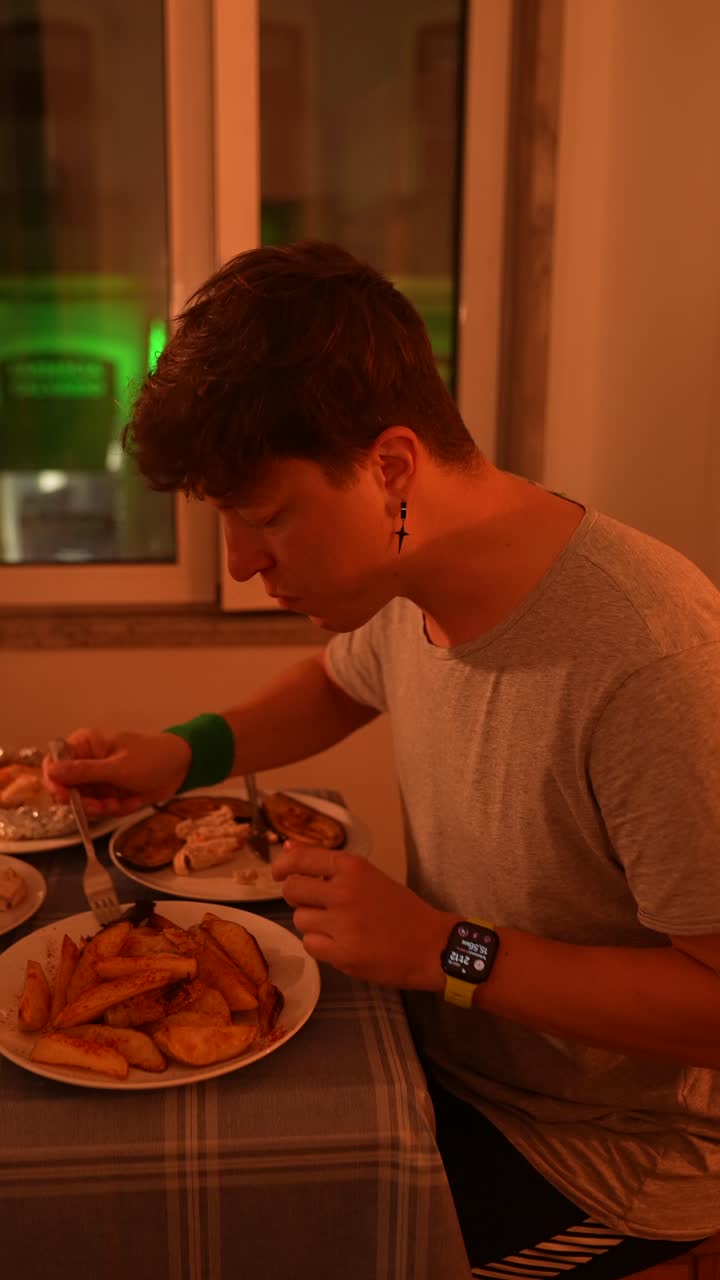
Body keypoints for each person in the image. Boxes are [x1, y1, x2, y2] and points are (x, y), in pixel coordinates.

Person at [45, 241, 720, 1277]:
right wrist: (179, 755)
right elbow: (338, 683)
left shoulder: (651, 658)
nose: (241, 562)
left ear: (393, 468)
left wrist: (444, 950)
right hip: (444, 1048)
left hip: (610, 1157)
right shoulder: (422, 575)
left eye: (268, 517)